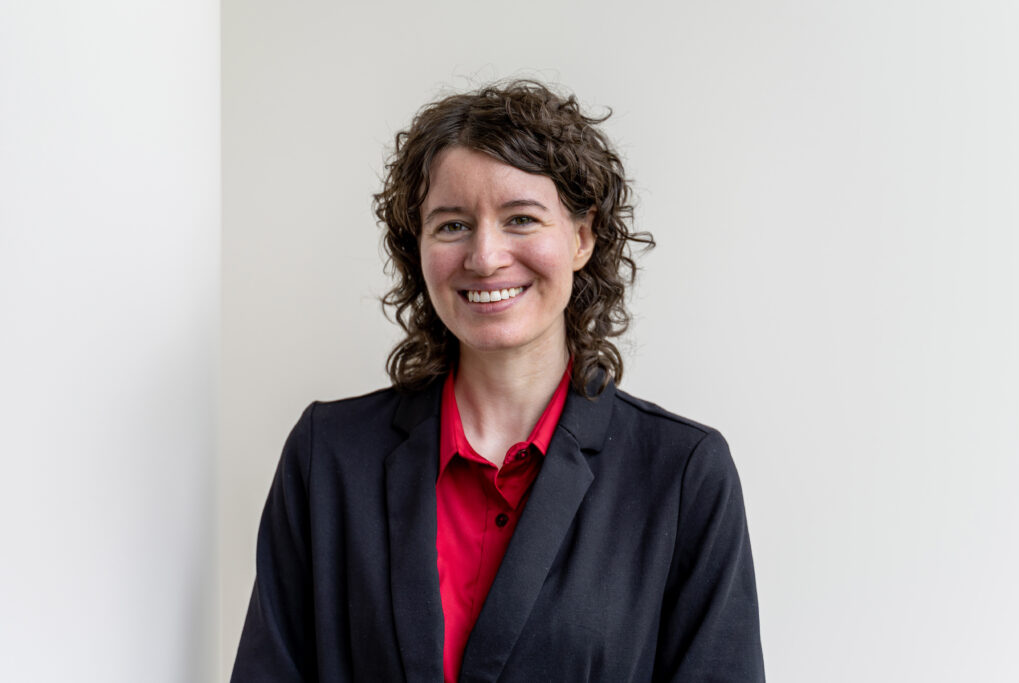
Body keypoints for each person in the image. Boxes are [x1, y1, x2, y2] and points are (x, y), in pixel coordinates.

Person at [231, 80, 764, 682]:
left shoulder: (683, 474)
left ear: (581, 238)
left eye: (521, 218)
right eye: (452, 225)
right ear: (420, 247)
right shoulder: (326, 455)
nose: (485, 257)